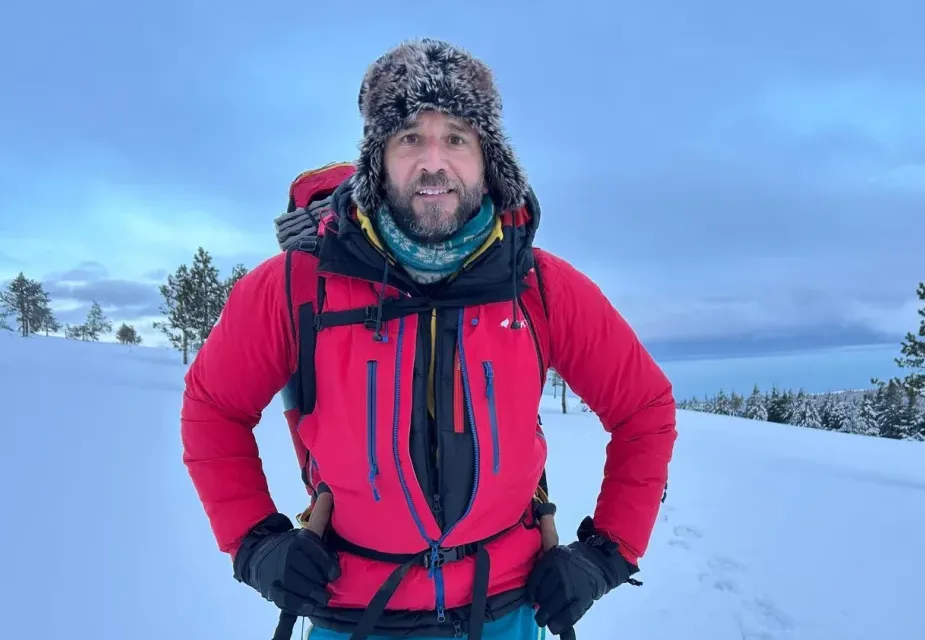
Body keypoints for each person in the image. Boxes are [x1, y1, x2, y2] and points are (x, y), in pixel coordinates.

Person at [180, 38, 677, 640]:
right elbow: (213, 407)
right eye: (410, 137)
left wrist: (607, 556)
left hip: (507, 611)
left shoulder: (540, 287)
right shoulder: (296, 287)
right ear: (377, 158)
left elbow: (644, 409)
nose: (433, 161)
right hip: (351, 614)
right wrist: (256, 543)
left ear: (487, 157)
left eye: (457, 138)